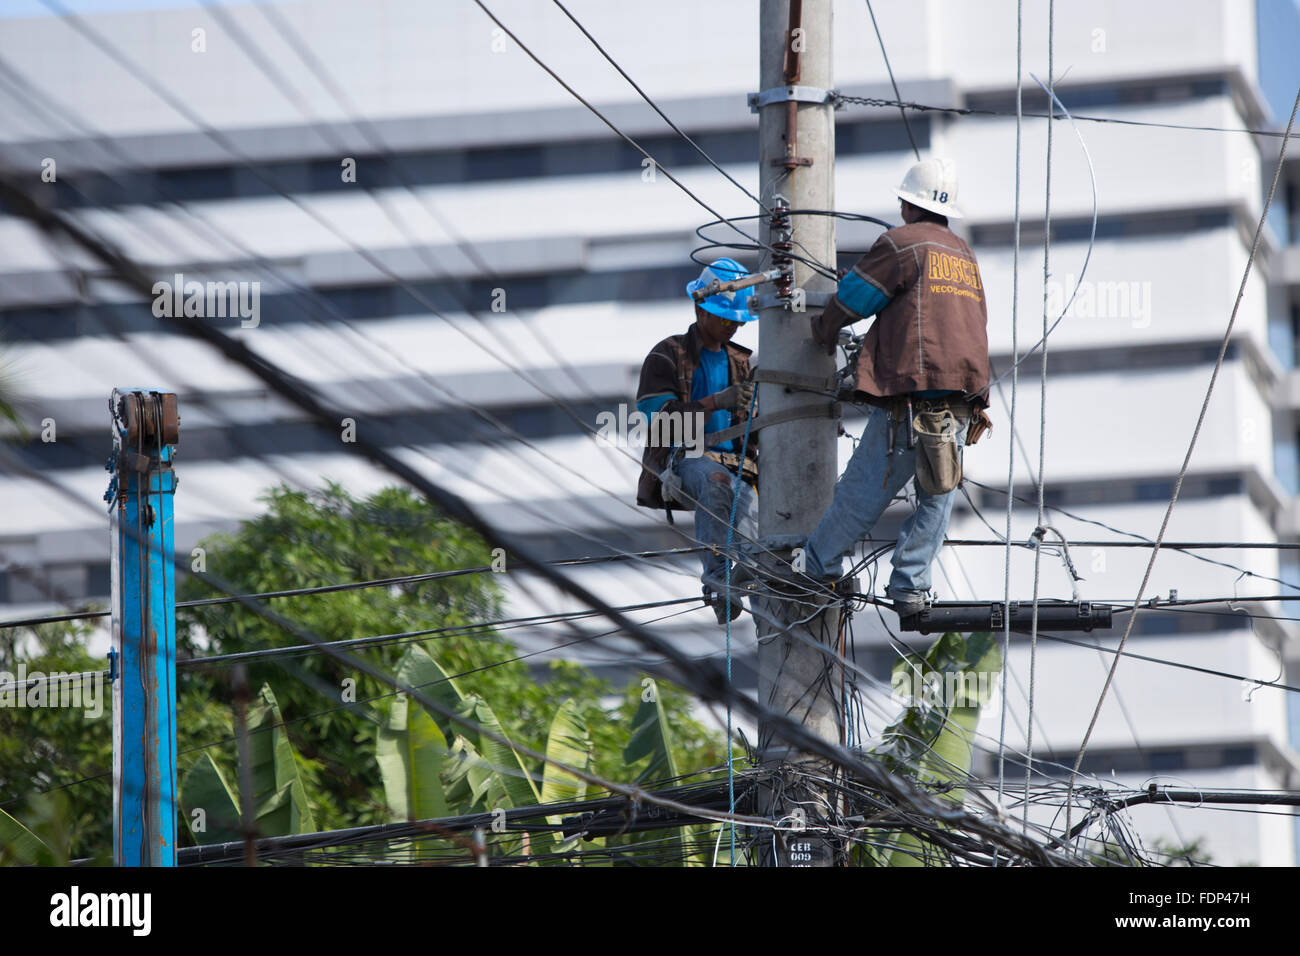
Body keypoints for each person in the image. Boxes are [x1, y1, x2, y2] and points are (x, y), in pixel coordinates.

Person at [801, 158, 992, 616]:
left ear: (907, 203)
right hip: (957, 403)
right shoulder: (963, 254)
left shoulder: (902, 244)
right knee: (938, 497)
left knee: (862, 494)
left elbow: (854, 299)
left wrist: (823, 332)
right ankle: (910, 586)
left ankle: (817, 570)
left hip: (911, 400)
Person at [635, 257, 759, 624]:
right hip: (686, 460)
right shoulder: (668, 355)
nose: (733, 324)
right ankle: (719, 582)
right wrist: (713, 403)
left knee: (756, 505)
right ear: (700, 308)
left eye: (736, 318)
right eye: (725, 317)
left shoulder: (742, 363)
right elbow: (661, 421)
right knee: (717, 483)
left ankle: (759, 572)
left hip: (738, 465)